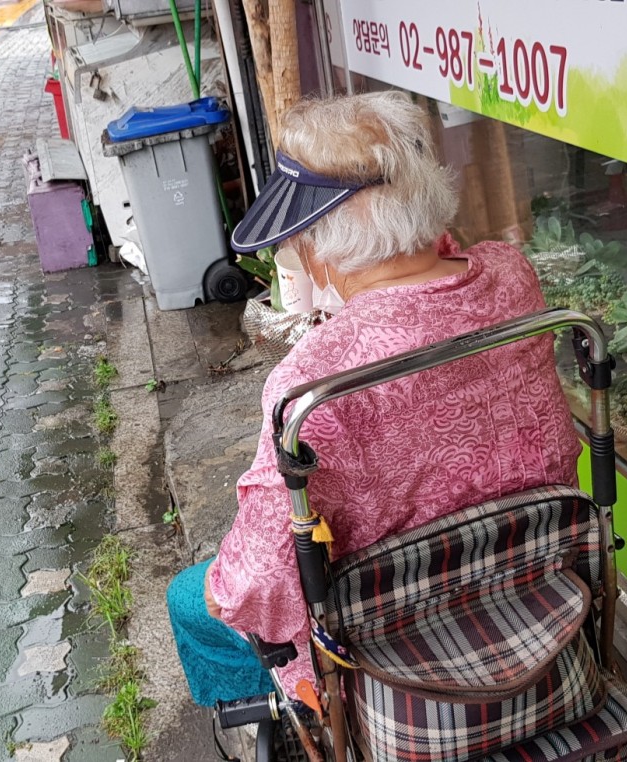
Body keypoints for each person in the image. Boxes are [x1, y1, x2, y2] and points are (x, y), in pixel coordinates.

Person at [167, 91, 581, 706]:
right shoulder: (511, 275)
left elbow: (259, 581)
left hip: (393, 633)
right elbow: (448, 269)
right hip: (531, 578)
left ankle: (291, 715)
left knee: (191, 599)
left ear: (318, 244)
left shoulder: (313, 382)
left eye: (299, 238)